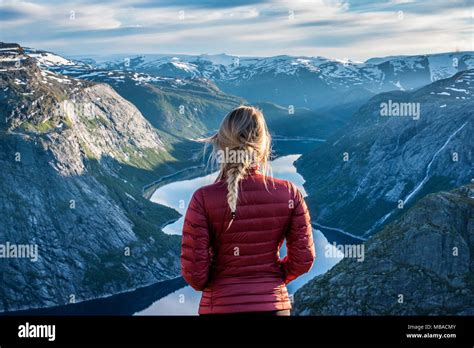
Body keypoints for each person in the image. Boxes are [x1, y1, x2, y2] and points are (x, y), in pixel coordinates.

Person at [181, 106, 315, 315]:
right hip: (273, 306)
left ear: (221, 143)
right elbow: (303, 259)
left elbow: (195, 274)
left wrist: (221, 285)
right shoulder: (288, 193)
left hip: (221, 306)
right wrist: (272, 280)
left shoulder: (203, 198)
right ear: (263, 145)